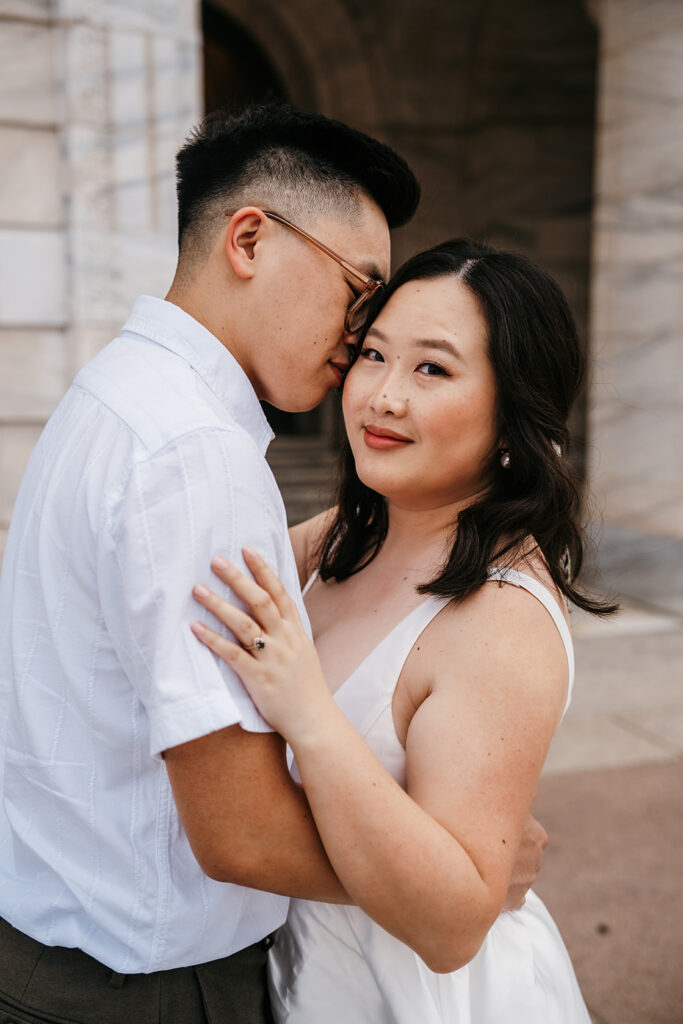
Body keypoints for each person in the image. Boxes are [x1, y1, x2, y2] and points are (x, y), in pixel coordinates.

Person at [0, 107, 546, 1024]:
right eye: (359, 293)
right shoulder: (197, 456)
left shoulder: (120, 392)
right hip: (142, 990)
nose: (359, 343)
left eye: (427, 364)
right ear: (249, 239)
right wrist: (453, 879)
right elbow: (242, 833)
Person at [190, 238, 617, 1023]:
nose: (382, 396)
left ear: (512, 414)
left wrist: (307, 711)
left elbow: (451, 926)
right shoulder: (333, 540)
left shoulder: (500, 618)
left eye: (432, 369)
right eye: (374, 355)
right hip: (306, 973)